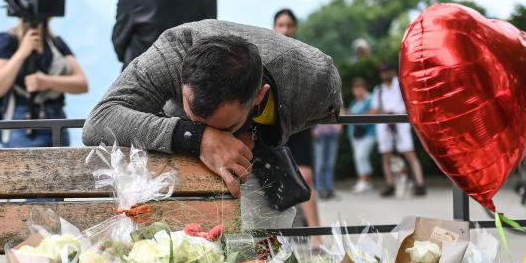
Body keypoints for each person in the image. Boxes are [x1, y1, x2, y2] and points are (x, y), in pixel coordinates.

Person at [82, 20, 342, 201]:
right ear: (182, 82)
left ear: (258, 98)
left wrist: (261, 131)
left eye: (224, 127)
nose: (218, 137)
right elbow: (99, 121)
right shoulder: (170, 54)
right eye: (196, 118)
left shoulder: (313, 81)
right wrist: (195, 136)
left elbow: (329, 105)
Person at [0, 18, 88, 147]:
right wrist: (22, 52)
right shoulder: (9, 39)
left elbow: (82, 84)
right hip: (22, 123)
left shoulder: (55, 42)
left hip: (57, 119)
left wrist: (47, 82)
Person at [272, 8, 321, 226]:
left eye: (289, 25)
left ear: (295, 28)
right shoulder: (265, 53)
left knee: (306, 178)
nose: (286, 29)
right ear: (274, 28)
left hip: (299, 124)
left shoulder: (306, 55)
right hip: (272, 125)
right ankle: (276, 240)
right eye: (281, 25)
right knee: (270, 182)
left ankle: (317, 239)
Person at [371, 61, 426, 197]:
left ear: (392, 72)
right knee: (386, 155)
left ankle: (420, 183)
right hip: (385, 125)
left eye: (387, 71)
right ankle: (390, 184)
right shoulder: (379, 90)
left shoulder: (401, 85)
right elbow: (375, 109)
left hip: (400, 122)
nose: (384, 74)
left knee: (409, 153)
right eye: (383, 72)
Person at [347, 77, 376, 193]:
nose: (358, 90)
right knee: (359, 158)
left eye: (360, 87)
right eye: (356, 88)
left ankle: (363, 181)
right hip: (355, 135)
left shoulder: (370, 98)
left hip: (368, 134)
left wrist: (355, 115)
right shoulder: (354, 102)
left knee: (361, 156)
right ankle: (366, 181)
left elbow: (374, 111)